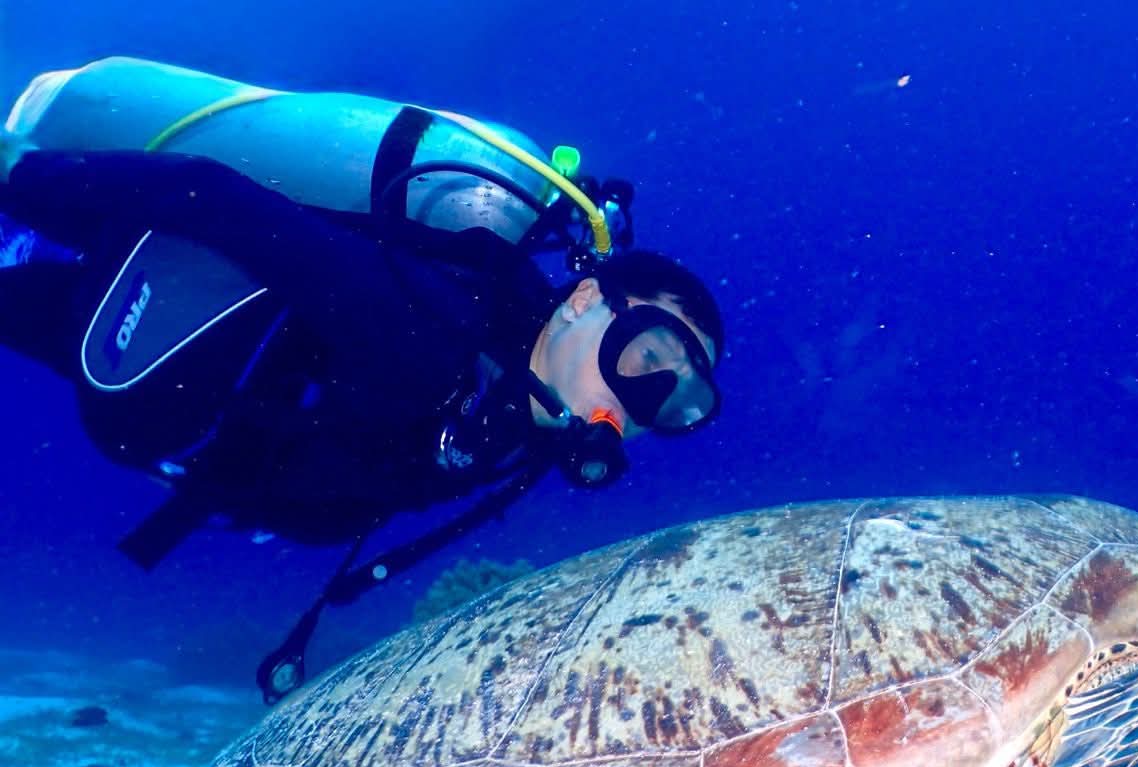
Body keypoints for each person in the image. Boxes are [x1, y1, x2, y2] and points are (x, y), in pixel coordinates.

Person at [0, 131, 724, 698]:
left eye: (677, 404)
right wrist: (22, 177)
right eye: (648, 357)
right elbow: (211, 196)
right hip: (147, 322)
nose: (640, 406)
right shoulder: (430, 324)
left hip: (169, 404)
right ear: (584, 301)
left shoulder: (514, 429)